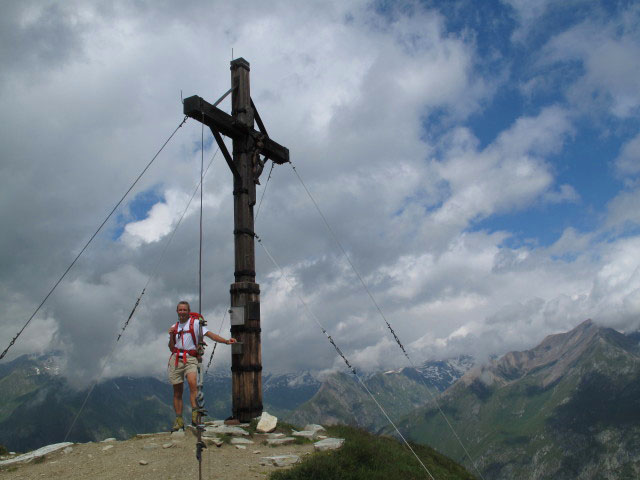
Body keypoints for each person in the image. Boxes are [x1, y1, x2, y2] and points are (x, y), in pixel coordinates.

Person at [168, 300, 236, 431]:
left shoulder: (196, 324)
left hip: (190, 358)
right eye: (180, 310)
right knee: (177, 392)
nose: (182, 312)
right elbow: (171, 348)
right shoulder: (174, 327)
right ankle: (179, 420)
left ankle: (194, 415)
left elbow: (211, 335)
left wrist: (226, 341)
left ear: (188, 311)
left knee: (193, 383)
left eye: (184, 310)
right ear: (177, 311)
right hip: (176, 358)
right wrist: (171, 335)